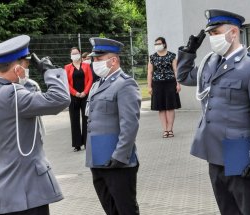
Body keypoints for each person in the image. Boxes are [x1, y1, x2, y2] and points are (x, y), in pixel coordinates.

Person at [177, 9, 250, 215]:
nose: (212, 38)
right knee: (227, 209)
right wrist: (189, 52)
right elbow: (184, 77)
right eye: (210, 34)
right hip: (213, 152)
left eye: (216, 33)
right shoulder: (210, 63)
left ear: (233, 33)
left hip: (241, 153)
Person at [0, 35, 71, 215]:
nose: (27, 71)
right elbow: (61, 99)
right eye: (27, 66)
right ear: (17, 69)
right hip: (29, 195)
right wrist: (49, 71)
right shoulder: (14, 95)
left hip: (2, 197)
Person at [85, 37, 141, 215]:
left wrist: (120, 155)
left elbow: (130, 124)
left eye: (99, 59)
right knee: (110, 209)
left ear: (114, 60)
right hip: (98, 159)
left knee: (126, 209)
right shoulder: (95, 85)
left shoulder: (125, 84)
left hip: (118, 161)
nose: (95, 63)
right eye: (94, 59)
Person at [147, 37, 181, 138]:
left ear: (164, 44)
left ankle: (170, 129)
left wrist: (178, 83)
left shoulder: (172, 55)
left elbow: (176, 70)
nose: (157, 45)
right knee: (161, 108)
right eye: (155, 44)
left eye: (159, 43)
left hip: (170, 83)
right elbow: (149, 72)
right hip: (157, 84)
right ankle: (165, 130)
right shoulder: (152, 57)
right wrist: (149, 86)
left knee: (170, 107)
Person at [64, 47, 93, 151]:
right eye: (73, 53)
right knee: (74, 119)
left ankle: (86, 142)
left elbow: (90, 79)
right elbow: (66, 82)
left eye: (76, 53)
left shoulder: (86, 65)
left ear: (80, 54)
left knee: (86, 119)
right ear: (70, 55)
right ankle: (77, 144)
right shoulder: (67, 67)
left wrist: (85, 92)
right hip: (73, 97)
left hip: (85, 95)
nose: (75, 55)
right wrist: (75, 93)